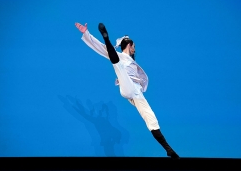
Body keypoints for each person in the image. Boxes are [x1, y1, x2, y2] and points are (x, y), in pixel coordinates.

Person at [75, 22, 179, 159]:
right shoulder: (120, 56)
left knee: (151, 118)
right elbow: (99, 47)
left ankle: (169, 149)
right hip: (126, 83)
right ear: (129, 45)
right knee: (117, 64)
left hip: (135, 93)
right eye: (134, 46)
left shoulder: (132, 62)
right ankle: (106, 37)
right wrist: (86, 33)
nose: (135, 49)